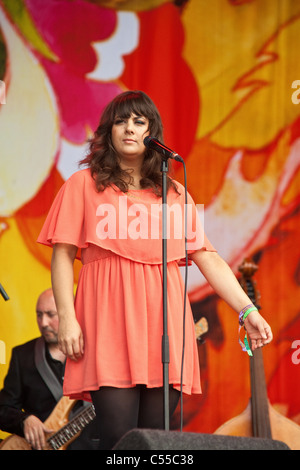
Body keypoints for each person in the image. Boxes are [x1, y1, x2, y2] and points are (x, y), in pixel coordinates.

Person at [37, 90, 273, 450]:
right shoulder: (82, 185)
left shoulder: (174, 193)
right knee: (119, 441)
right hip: (108, 325)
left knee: (156, 444)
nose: (129, 129)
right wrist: (67, 318)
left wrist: (247, 310)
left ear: (152, 133)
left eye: (139, 121)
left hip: (164, 328)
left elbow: (206, 256)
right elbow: (63, 253)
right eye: (121, 121)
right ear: (108, 131)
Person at [0, 288, 98, 450]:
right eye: (39, 315)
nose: (43, 323)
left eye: (50, 315)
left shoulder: (95, 352)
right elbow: (3, 409)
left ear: (70, 313)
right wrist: (25, 419)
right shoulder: (23, 355)